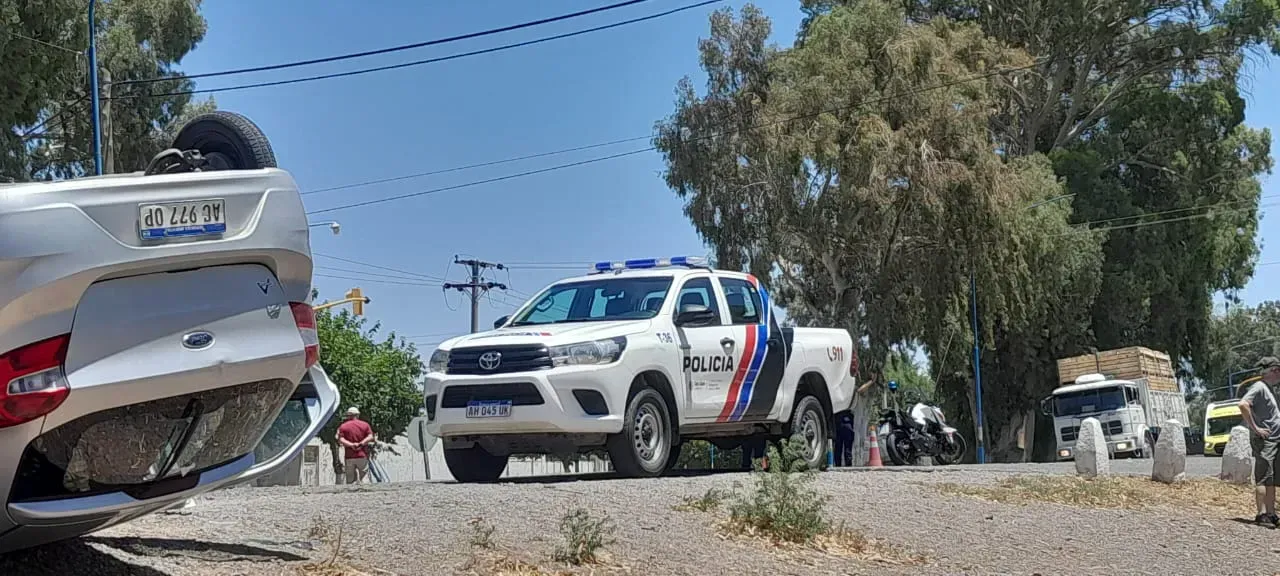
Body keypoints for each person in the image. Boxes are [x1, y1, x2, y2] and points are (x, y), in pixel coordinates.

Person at [1238, 356, 1280, 526]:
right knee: (1263, 477)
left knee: (1272, 478)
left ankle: (1271, 513)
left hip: (1275, 440)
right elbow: (1243, 405)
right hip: (1265, 441)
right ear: (1273, 371)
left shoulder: (1269, 389)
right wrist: (1256, 429)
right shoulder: (1259, 387)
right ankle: (1261, 513)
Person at [336, 406, 375, 484]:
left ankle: (351, 495)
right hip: (362, 455)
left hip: (349, 456)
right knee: (364, 477)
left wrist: (351, 445)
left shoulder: (343, 426)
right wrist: (361, 443)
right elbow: (370, 436)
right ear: (357, 415)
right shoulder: (365, 425)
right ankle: (366, 493)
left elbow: (340, 439)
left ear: (348, 415)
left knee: (350, 479)